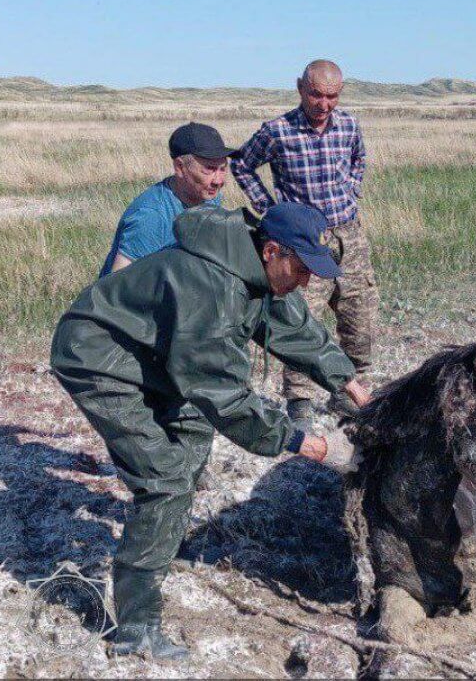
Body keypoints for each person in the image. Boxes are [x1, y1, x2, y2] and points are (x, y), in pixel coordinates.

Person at [51, 201, 372, 661]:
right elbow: (222, 395)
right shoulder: (213, 286)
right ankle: (135, 629)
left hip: (153, 355)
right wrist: (305, 443)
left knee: (192, 433)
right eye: (301, 269)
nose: (306, 282)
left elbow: (294, 327)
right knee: (164, 480)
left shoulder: (258, 269)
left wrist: (351, 385)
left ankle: (162, 538)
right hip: (98, 357)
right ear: (272, 251)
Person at [231, 59, 379, 431]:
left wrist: (352, 189)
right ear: (300, 88)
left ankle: (351, 391)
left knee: (359, 317)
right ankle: (299, 402)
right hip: (304, 243)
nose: (324, 103)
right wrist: (271, 210)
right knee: (300, 320)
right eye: (316, 94)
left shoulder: (348, 125)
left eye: (332, 96)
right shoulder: (278, 131)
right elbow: (242, 165)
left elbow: (359, 158)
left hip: (350, 234)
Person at [99, 122, 232, 277]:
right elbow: (115, 289)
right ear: (180, 167)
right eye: (209, 169)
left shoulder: (208, 195)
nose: (218, 181)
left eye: (222, 169)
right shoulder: (151, 217)